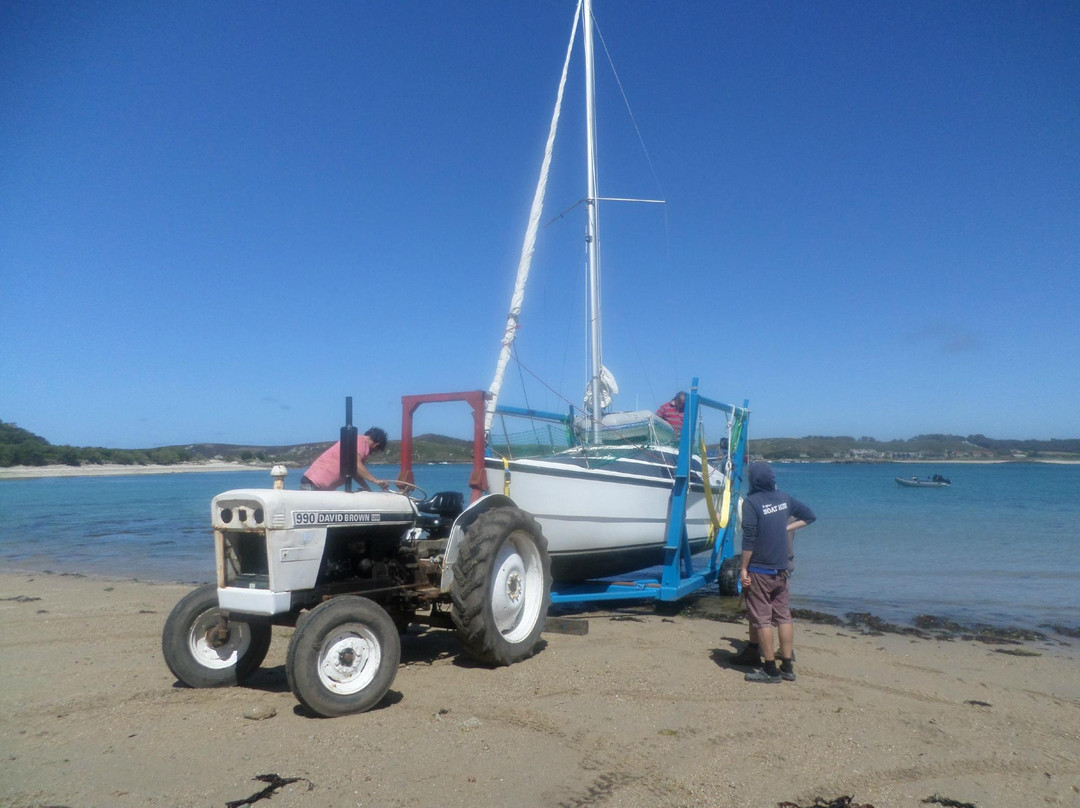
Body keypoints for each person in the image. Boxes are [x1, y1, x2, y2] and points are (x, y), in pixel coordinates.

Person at [738, 461, 815, 683]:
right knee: (783, 616)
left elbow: (749, 538)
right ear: (771, 479)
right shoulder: (784, 498)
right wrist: (786, 527)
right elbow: (809, 516)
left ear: (753, 480)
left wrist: (743, 568)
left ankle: (770, 670)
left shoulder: (752, 503)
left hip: (761, 569)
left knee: (762, 619)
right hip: (782, 570)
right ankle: (787, 666)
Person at [729, 517, 800, 668]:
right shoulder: (786, 509)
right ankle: (786, 657)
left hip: (765, 567)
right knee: (783, 614)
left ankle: (755, 652)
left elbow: (752, 541)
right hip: (785, 565)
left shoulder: (763, 510)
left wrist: (744, 568)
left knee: (758, 612)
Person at [300, 427, 390, 491]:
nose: (373, 453)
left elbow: (355, 473)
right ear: (376, 445)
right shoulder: (359, 441)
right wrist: (376, 481)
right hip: (313, 483)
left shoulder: (358, 443)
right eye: (376, 451)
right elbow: (356, 465)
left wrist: (368, 490)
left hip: (316, 484)